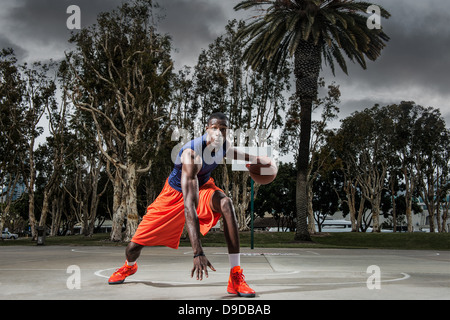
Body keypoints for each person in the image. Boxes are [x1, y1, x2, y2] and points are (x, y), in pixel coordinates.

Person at [108, 112, 263, 297]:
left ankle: (235, 276)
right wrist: (198, 253)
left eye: (223, 129)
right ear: (207, 130)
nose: (219, 133)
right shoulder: (191, 155)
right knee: (132, 248)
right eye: (215, 129)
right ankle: (129, 267)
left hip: (203, 187)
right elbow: (189, 207)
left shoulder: (223, 145)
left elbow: (238, 154)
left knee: (226, 203)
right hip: (173, 195)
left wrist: (255, 161)